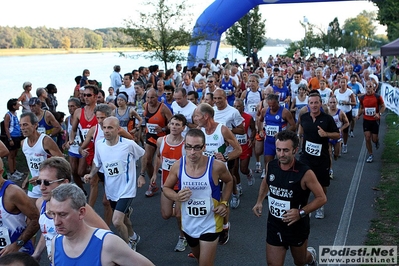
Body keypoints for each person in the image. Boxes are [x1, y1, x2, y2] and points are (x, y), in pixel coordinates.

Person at [252, 130, 326, 266]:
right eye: (278, 150)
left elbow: (321, 198)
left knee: (300, 261)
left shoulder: (305, 173)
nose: (281, 154)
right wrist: (259, 202)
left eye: (286, 150)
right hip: (274, 224)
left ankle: (311, 257)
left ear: (295, 150)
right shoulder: (272, 166)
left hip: (296, 226)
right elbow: (266, 182)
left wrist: (300, 212)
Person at [163, 129, 233, 266]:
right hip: (189, 224)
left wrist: (224, 203)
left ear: (204, 147)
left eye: (197, 147)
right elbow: (166, 188)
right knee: (198, 256)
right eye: (188, 147)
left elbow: (229, 181)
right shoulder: (178, 166)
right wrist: (176, 196)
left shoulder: (216, 166)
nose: (192, 152)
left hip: (211, 223)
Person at [48, 184, 154, 266]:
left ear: (81, 212)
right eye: (53, 214)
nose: (56, 222)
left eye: (63, 214)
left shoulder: (107, 243)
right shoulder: (56, 242)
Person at [32, 157, 109, 263]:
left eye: (47, 183)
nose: (41, 187)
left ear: (64, 183)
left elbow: (106, 235)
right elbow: (47, 231)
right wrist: (37, 253)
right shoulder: (40, 204)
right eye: (39, 181)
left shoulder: (77, 207)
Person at [84, 117, 145, 251]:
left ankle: (127, 247)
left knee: (117, 221)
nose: (106, 130)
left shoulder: (128, 144)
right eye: (104, 127)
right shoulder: (99, 144)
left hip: (127, 189)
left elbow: (143, 155)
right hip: (111, 190)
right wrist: (91, 174)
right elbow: (97, 163)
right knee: (123, 219)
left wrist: (142, 175)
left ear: (118, 130)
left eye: (110, 128)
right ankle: (133, 236)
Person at [193, 103, 242, 244]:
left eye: (197, 116)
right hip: (202, 173)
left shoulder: (222, 130)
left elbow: (238, 149)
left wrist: (226, 157)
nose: (195, 119)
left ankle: (225, 226)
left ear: (206, 116)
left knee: (221, 202)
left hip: (219, 173)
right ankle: (206, 231)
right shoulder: (199, 130)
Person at [298, 92, 340, 219]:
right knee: (303, 184)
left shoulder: (327, 119)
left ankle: (320, 206)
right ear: (308, 104)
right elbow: (300, 131)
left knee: (321, 185)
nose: (314, 105)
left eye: (316, 102)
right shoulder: (304, 117)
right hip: (306, 157)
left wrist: (326, 134)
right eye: (311, 103)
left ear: (320, 103)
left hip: (321, 158)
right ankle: (306, 208)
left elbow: (337, 135)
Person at [150, 114, 188, 252]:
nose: (174, 127)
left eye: (178, 125)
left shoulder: (185, 145)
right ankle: (188, 214)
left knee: (178, 215)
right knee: (166, 214)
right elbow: (159, 158)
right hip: (166, 184)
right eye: (172, 124)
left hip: (181, 185)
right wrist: (155, 173)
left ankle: (182, 238)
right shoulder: (161, 140)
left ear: (183, 128)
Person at [20, 112, 63, 203]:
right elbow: (32, 164)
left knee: (51, 213)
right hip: (34, 185)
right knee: (33, 213)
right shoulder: (23, 143)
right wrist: (27, 179)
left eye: (25, 125)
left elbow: (62, 162)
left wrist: (42, 177)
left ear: (35, 125)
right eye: (21, 125)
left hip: (49, 184)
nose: (22, 128)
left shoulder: (45, 141)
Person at [0, 158, 39, 256]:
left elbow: (36, 219)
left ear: (1, 172)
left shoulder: (12, 192)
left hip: (16, 255)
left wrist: (18, 244)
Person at [141, 88, 173, 197]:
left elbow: (172, 122)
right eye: (148, 97)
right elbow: (145, 118)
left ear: (157, 97)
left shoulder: (163, 108)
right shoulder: (145, 105)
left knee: (161, 162)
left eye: (152, 97)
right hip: (150, 135)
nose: (150, 100)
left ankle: (170, 184)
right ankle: (153, 183)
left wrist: (163, 129)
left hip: (163, 136)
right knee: (147, 160)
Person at [258, 94, 296, 178]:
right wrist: (260, 130)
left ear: (278, 103)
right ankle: (269, 183)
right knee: (268, 164)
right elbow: (259, 120)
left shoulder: (285, 112)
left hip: (282, 143)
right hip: (269, 142)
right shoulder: (264, 111)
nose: (271, 107)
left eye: (273, 105)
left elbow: (293, 126)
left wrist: (282, 133)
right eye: (269, 105)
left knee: (283, 164)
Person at [356, 81, 386, 163]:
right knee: (367, 137)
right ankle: (370, 154)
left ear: (373, 87)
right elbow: (362, 108)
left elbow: (383, 106)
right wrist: (358, 115)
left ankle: (376, 141)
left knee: (374, 139)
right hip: (366, 120)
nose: (368, 88)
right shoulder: (362, 98)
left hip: (375, 120)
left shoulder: (377, 97)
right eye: (367, 86)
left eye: (370, 86)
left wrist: (379, 113)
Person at [232, 98, 256, 198]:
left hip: (245, 146)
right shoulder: (230, 117)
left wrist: (251, 138)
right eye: (235, 106)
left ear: (243, 107)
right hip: (233, 146)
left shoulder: (248, 117)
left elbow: (254, 129)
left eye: (238, 106)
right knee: (234, 169)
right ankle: (238, 186)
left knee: (243, 169)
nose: (236, 108)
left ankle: (248, 173)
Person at [327, 96, 349, 179]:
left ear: (337, 103)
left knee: (336, 154)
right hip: (328, 136)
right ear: (328, 103)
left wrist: (341, 129)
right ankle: (330, 170)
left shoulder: (340, 113)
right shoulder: (326, 112)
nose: (332, 104)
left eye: (334, 102)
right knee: (329, 154)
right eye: (331, 102)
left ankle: (335, 155)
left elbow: (347, 123)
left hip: (337, 136)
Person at [334, 77, 356, 154]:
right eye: (341, 82)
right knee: (338, 129)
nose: (343, 84)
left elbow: (354, 103)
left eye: (344, 82)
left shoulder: (349, 92)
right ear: (339, 83)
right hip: (338, 113)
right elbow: (333, 101)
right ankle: (337, 144)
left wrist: (347, 103)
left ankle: (345, 145)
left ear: (347, 83)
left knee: (345, 130)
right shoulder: (336, 92)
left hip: (347, 112)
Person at [3, 99, 24, 180]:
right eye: (17, 104)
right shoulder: (8, 115)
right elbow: (6, 127)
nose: (19, 105)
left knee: (14, 154)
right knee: (11, 155)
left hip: (17, 136)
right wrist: (9, 139)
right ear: (13, 106)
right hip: (12, 136)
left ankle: (15, 170)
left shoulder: (15, 114)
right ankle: (11, 172)